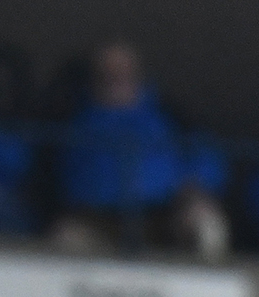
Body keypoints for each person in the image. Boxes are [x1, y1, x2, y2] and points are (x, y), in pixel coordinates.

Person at [49, 40, 227, 259]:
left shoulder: (170, 113)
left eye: (124, 70)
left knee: (207, 223)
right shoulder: (73, 117)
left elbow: (206, 156)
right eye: (107, 71)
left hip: (164, 214)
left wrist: (195, 186)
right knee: (65, 237)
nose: (116, 77)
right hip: (99, 219)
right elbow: (56, 173)